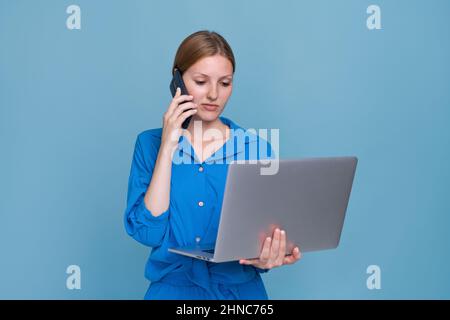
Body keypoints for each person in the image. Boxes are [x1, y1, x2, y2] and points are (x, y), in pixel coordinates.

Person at [124, 30, 302, 300]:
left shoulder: (256, 148)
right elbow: (149, 232)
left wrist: (267, 256)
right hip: (171, 291)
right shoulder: (149, 145)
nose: (213, 94)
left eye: (225, 83)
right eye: (200, 81)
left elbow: (262, 235)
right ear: (177, 80)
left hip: (240, 294)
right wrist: (167, 147)